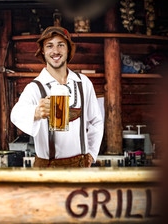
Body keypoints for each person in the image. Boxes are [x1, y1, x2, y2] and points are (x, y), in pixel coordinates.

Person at [10, 26, 104, 168]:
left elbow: (96, 121)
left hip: (80, 167)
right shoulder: (35, 87)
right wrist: (36, 112)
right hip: (47, 168)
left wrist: (92, 152)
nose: (55, 51)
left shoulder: (83, 83)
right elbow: (16, 114)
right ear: (43, 50)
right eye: (49, 46)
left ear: (68, 49)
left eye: (61, 45)